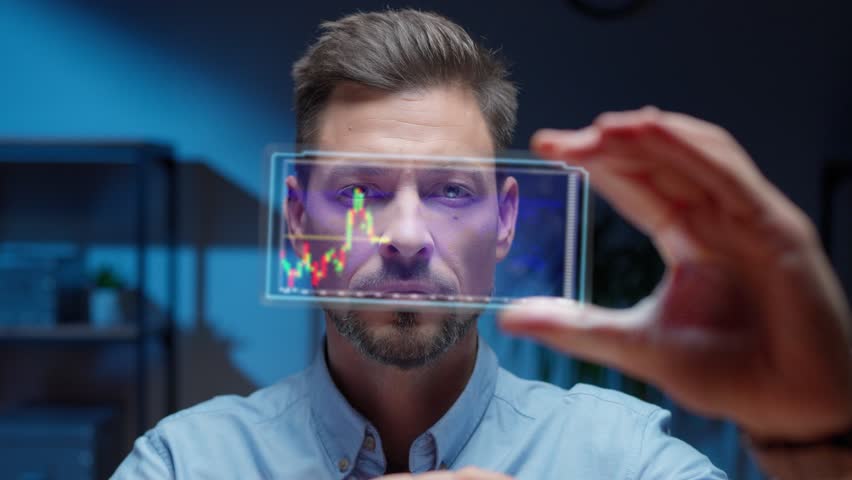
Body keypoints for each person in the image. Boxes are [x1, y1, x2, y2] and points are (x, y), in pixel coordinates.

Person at [112, 9, 852, 480]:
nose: (405, 237)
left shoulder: (620, 457)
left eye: (452, 192)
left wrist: (818, 439)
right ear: (300, 220)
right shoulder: (187, 462)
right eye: (360, 193)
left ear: (504, 222)